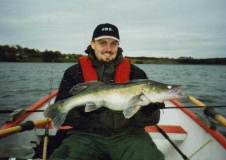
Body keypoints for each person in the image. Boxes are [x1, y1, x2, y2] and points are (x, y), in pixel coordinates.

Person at [49, 23, 165, 160]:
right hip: (86, 135)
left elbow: (152, 120)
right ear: (92, 44)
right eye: (102, 43)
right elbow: (65, 117)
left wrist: (149, 110)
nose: (108, 49)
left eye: (113, 44)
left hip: (128, 135)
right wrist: (84, 112)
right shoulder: (74, 72)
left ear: (118, 45)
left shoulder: (137, 73)